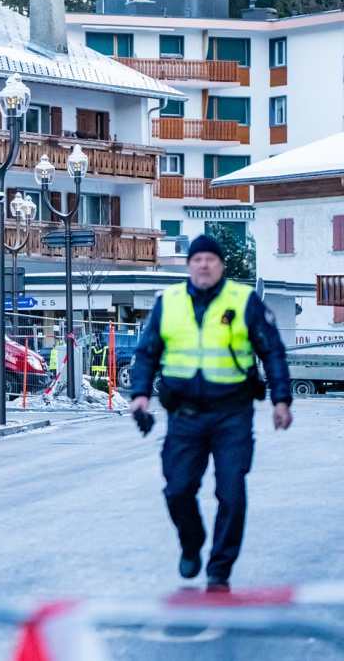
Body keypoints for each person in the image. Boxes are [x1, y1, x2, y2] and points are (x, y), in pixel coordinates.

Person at [130, 234, 292, 593]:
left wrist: (282, 400)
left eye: (211, 259)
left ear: (221, 265)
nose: (204, 265)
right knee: (177, 490)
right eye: (197, 259)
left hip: (232, 413)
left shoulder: (243, 301)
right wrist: (139, 395)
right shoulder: (168, 303)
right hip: (185, 416)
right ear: (189, 265)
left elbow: (273, 352)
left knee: (231, 493)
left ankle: (219, 569)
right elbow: (147, 353)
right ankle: (192, 543)